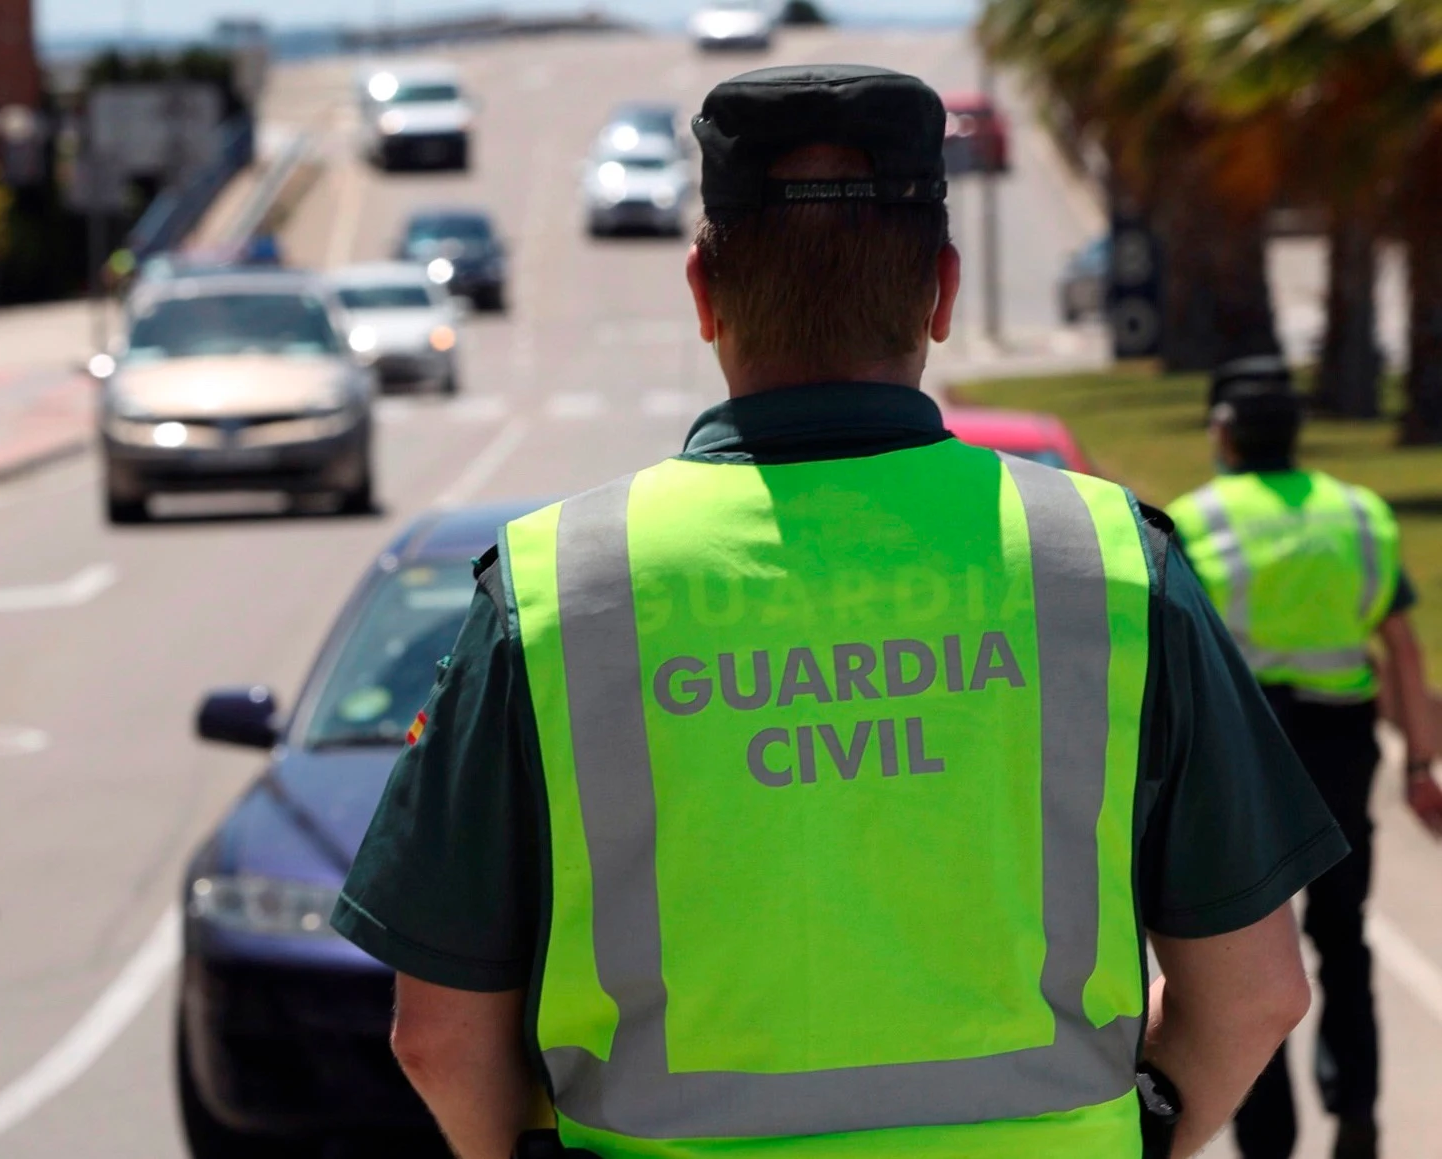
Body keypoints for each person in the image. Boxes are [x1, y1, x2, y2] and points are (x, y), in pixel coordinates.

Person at [329, 65, 1348, 1159]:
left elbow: (437, 1034)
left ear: (704, 292)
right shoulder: (1107, 564)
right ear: (944, 292)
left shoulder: (556, 588)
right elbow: (1257, 995)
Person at [1170, 361, 1442, 1159]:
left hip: (1241, 750)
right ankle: (1356, 1116)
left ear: (1222, 433)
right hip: (1338, 742)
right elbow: (1397, 644)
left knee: (1244, 953)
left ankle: (1266, 1138)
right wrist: (1421, 761)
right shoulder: (1356, 514)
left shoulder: (1192, 517)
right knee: (1343, 935)